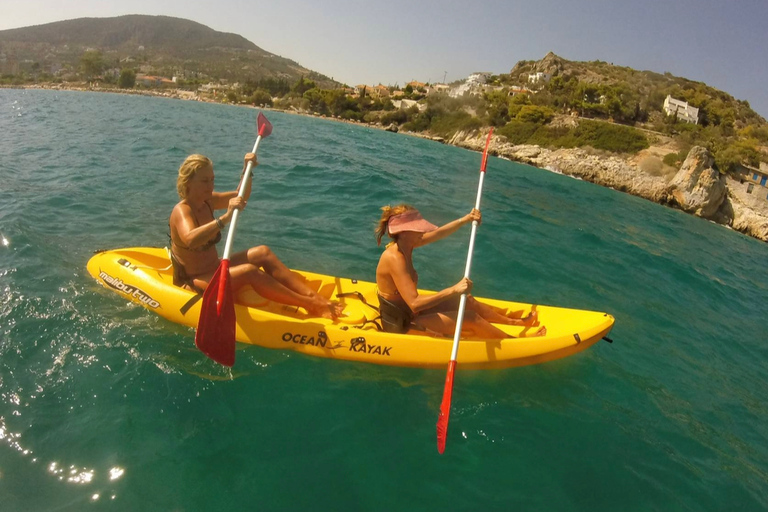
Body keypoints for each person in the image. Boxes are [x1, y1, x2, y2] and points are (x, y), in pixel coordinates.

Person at [169, 153, 342, 319]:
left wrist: (247, 170)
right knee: (250, 272)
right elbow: (191, 239)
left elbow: (241, 196)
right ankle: (310, 304)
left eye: (212, 179)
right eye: (205, 181)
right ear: (188, 182)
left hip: (215, 268)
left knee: (262, 252)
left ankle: (313, 296)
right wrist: (224, 219)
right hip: (197, 281)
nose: (211, 185)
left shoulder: (208, 201)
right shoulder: (182, 210)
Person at [374, 204, 546, 338]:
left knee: (468, 301)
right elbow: (415, 303)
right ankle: (515, 342)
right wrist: (453, 289)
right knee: (470, 317)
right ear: (403, 232)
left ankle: (515, 322)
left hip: (412, 312)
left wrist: (465, 219)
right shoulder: (395, 258)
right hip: (402, 323)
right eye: (417, 228)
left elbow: (439, 233)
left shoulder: (408, 244)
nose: (422, 231)